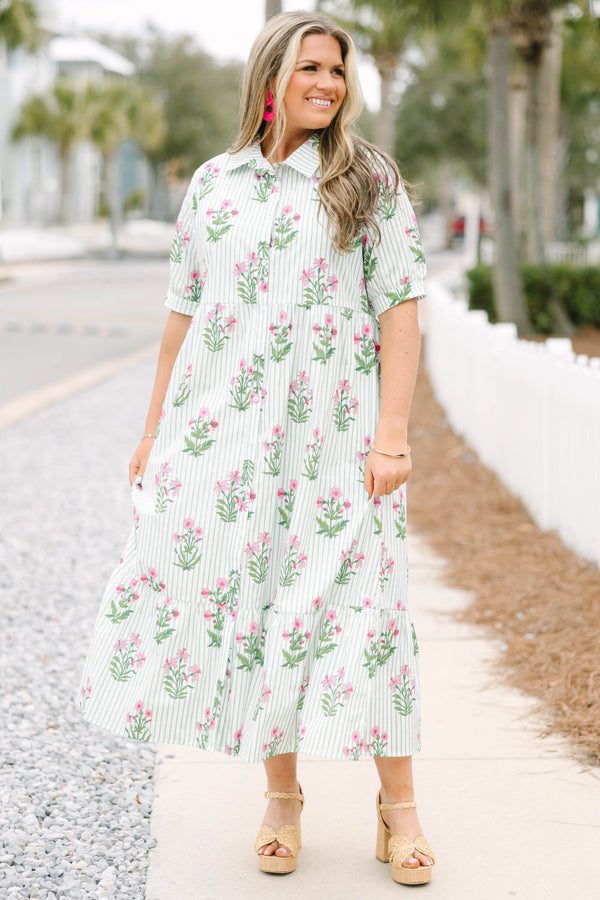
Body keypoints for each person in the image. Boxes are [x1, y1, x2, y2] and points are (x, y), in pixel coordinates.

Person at [78, 10, 434, 887]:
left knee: (369, 616)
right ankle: (282, 801)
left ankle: (400, 812)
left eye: (338, 72)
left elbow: (401, 310)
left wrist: (392, 434)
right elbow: (182, 318)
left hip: (338, 445)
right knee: (264, 612)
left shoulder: (367, 180)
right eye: (311, 67)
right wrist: (155, 431)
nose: (327, 84)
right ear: (271, 76)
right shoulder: (213, 184)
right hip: (229, 442)